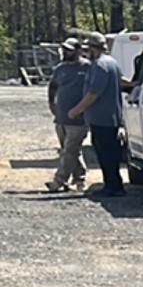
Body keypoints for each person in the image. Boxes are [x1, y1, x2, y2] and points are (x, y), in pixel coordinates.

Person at [65, 32, 127, 198]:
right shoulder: (112, 63)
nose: (86, 52)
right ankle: (113, 185)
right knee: (110, 152)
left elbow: (93, 94)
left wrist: (76, 110)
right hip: (109, 117)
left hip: (102, 119)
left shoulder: (100, 66)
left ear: (95, 48)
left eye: (88, 48)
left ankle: (113, 187)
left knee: (106, 154)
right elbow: (123, 81)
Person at [44, 39, 91, 192]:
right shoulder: (60, 69)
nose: (65, 52)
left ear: (78, 51)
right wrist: (52, 103)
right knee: (71, 150)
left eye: (69, 50)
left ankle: (58, 181)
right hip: (61, 117)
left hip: (79, 118)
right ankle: (79, 179)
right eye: (64, 49)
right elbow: (53, 86)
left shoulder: (88, 67)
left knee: (69, 150)